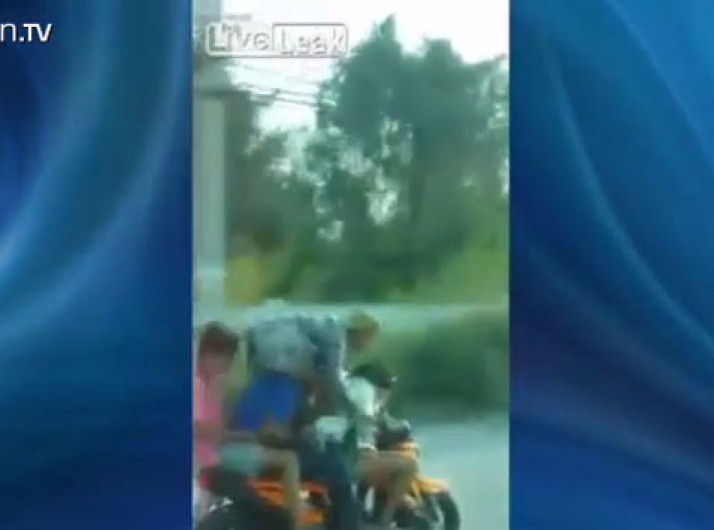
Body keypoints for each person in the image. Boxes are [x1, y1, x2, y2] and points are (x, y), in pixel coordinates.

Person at [232, 310, 382, 530]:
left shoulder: (260, 382)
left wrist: (306, 426)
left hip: (249, 448)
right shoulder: (291, 387)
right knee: (339, 470)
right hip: (269, 453)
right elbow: (279, 431)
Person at [193, 321, 305, 530]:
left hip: (216, 453)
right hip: (209, 459)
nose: (228, 367)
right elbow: (205, 432)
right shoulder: (197, 385)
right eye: (228, 360)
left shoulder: (210, 383)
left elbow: (218, 426)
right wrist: (252, 436)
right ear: (212, 354)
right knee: (288, 460)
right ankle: (295, 524)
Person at [347, 362, 418, 528]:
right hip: (353, 459)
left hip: (347, 456)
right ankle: (385, 520)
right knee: (409, 464)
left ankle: (363, 511)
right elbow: (375, 422)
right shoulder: (365, 398)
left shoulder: (349, 391)